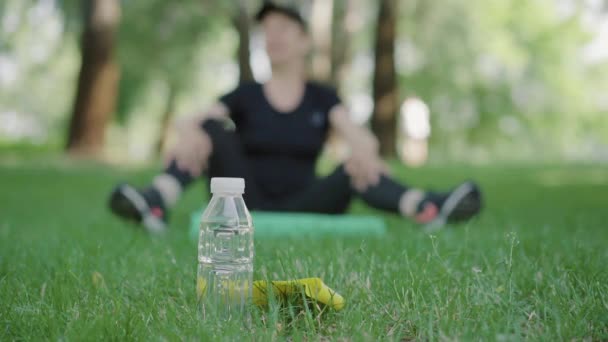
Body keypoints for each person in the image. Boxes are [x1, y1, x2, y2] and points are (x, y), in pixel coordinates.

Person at [108, 2, 482, 233]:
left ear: (304, 40)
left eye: (284, 29)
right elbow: (196, 119)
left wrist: (363, 148)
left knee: (358, 161)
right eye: (267, 30)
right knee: (209, 129)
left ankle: (428, 207)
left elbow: (356, 133)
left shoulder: (322, 96)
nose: (274, 36)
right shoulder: (246, 94)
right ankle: (154, 202)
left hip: (307, 200)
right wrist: (188, 130)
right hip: (243, 203)